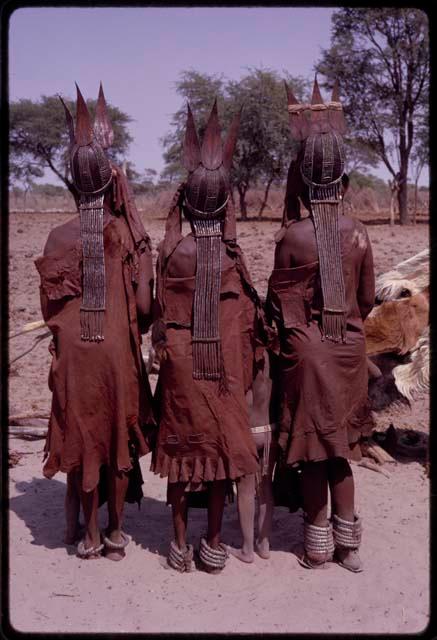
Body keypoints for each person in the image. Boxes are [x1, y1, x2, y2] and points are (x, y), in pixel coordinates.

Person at [35, 84, 155, 560]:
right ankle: (117, 534)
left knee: (84, 439)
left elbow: (49, 314)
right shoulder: (127, 232)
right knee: (118, 439)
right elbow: (146, 308)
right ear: (110, 180)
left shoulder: (55, 236)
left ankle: (87, 534)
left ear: (71, 181)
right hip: (115, 355)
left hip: (75, 358)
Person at [151, 100, 266, 573]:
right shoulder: (231, 260)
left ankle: (178, 546)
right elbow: (248, 321)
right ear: (224, 206)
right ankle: (214, 544)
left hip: (181, 369)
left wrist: (178, 207)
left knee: (181, 459)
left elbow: (161, 272)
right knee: (219, 459)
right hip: (221, 375)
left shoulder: (174, 253)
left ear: (187, 202)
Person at [266, 77, 375, 572]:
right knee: (342, 453)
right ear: (344, 183)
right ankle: (349, 547)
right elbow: (368, 300)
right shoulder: (360, 234)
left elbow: (276, 309)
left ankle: (316, 547)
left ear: (304, 182)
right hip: (349, 352)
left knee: (313, 452)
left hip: (307, 356)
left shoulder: (291, 239)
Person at [229, 346, 280, 563]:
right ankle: (264, 543)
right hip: (269, 430)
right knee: (266, 486)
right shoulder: (275, 357)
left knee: (246, 490)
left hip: (247, 432)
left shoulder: (241, 355)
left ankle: (247, 548)